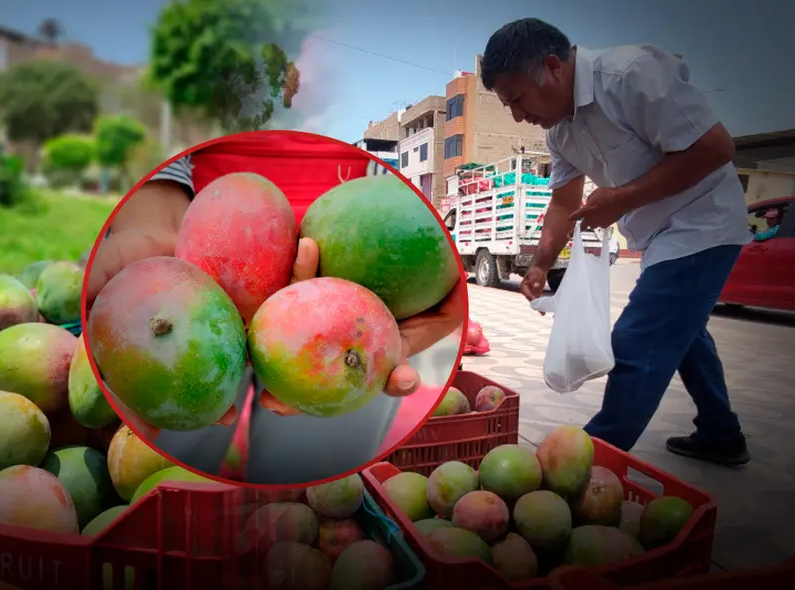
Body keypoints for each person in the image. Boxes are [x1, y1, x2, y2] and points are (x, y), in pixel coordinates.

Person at [84, 149, 467, 483]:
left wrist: (437, 263)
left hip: (348, 294)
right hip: (195, 271)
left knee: (312, 486)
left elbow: (389, 192)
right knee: (172, 475)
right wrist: (150, 218)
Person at [480, 18, 751, 465]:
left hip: (704, 224)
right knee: (684, 332)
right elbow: (564, 205)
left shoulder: (630, 75)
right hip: (657, 235)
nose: (517, 116)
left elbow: (716, 148)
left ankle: (582, 463)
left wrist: (621, 198)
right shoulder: (560, 132)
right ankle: (721, 433)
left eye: (518, 99)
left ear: (552, 67)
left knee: (639, 341)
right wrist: (540, 263)